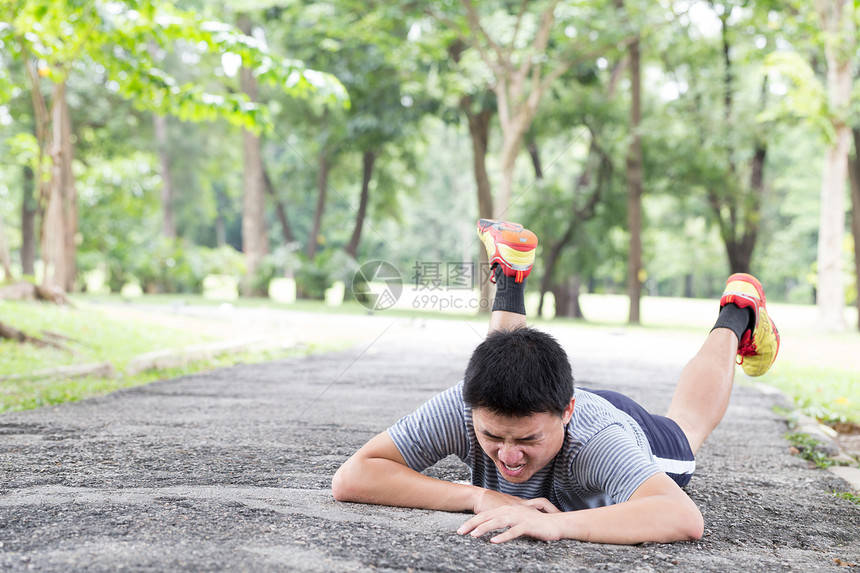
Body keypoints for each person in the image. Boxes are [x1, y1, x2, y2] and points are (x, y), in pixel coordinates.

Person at [332, 219, 780, 545]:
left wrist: (560, 525)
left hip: (631, 430)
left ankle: (738, 310)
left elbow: (683, 518)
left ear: (566, 412)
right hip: (541, 393)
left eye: (526, 440)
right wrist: (479, 497)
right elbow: (352, 477)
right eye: (491, 435)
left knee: (688, 425)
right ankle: (510, 274)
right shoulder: (467, 404)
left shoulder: (598, 445)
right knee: (504, 361)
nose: (507, 455)